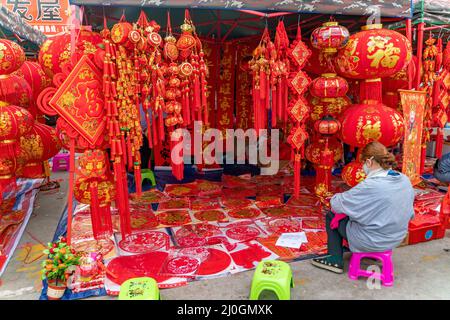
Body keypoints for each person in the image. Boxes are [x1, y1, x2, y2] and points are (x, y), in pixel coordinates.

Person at [311, 141, 415, 274]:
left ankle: (334, 259)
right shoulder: (404, 179)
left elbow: (336, 204)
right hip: (396, 237)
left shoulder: (370, 185)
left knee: (332, 215)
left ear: (369, 162)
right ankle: (370, 252)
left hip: (372, 240)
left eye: (363, 164)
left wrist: (336, 197)